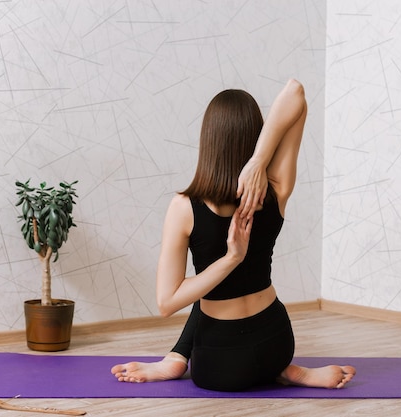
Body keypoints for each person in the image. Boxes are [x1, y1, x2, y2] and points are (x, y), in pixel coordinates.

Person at [111, 79, 355, 391]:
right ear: (257, 135)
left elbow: (166, 303)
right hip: (277, 344)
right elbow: (295, 93)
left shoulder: (183, 207)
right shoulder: (276, 189)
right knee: (213, 284)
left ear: (208, 141)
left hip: (220, 366)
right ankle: (282, 371)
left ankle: (175, 359)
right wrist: (259, 160)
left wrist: (231, 259)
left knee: (208, 283)